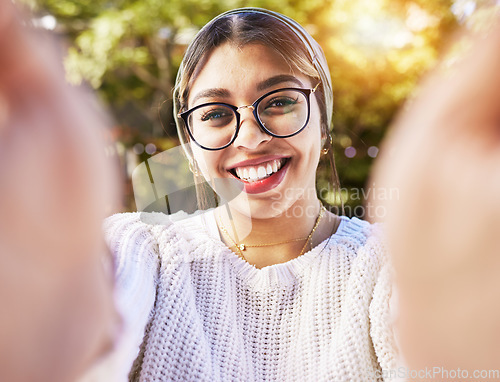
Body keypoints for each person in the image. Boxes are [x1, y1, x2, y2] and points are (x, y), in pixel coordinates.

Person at [1, 2, 499, 382]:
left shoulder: (390, 265)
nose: (250, 136)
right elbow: (90, 335)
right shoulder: (143, 252)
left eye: (279, 101)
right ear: (190, 145)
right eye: (216, 114)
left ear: (323, 120)